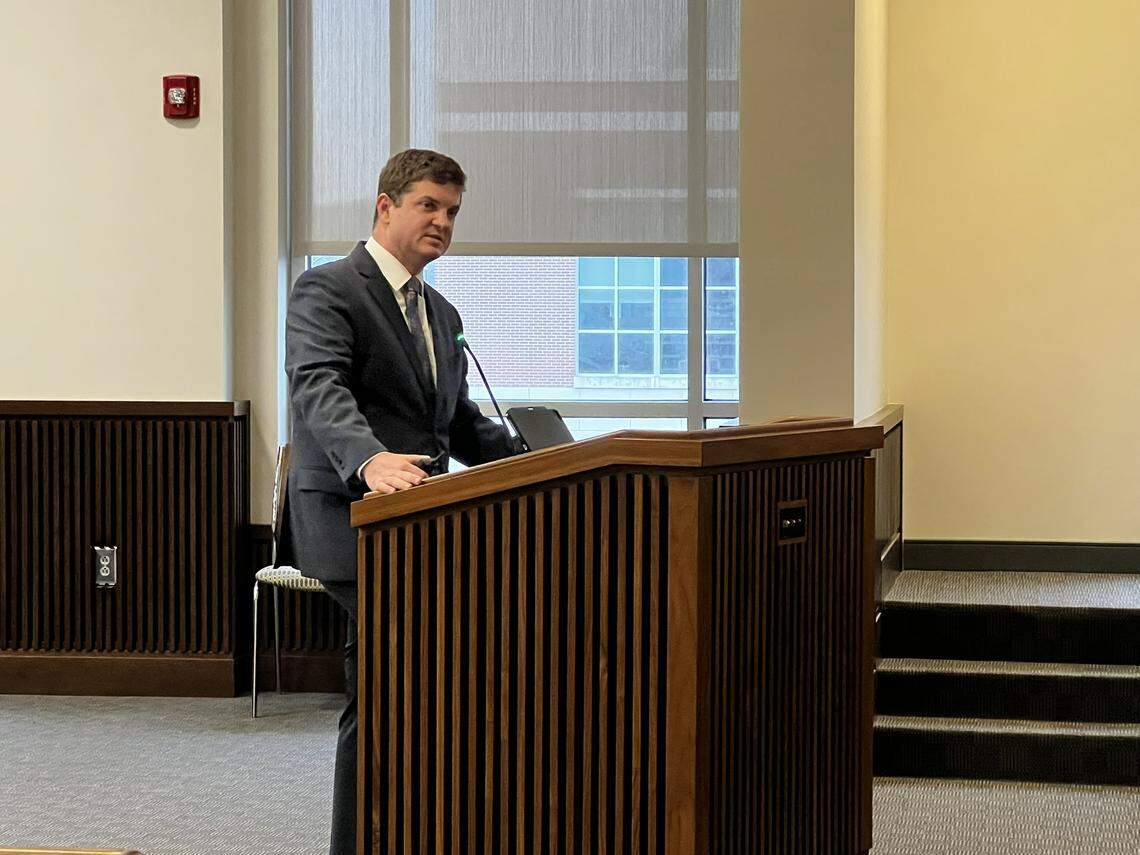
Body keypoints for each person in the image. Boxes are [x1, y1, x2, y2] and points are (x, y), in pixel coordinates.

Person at [281, 148, 517, 855]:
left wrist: (544, 460)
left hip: (425, 528)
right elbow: (319, 385)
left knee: (409, 690)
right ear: (386, 207)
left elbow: (457, 422)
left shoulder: (439, 310)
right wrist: (368, 458)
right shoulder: (327, 290)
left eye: (452, 212)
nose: (443, 222)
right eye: (429, 206)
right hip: (354, 521)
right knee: (390, 692)